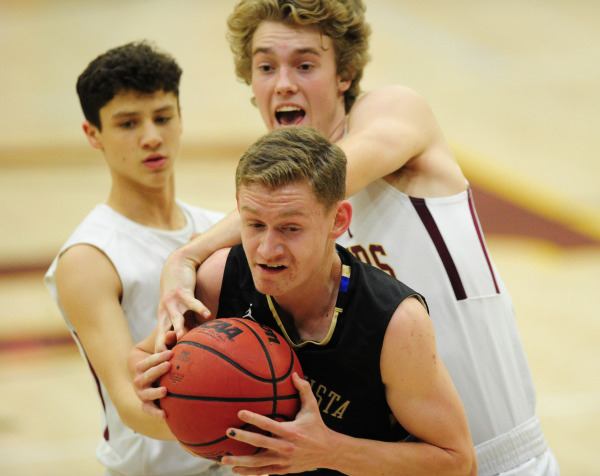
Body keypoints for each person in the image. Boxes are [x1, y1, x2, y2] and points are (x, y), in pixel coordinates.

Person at [155, 2, 560, 475]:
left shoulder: (394, 112)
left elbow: (327, 175)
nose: (283, 83)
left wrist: (190, 251)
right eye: (266, 66)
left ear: (344, 73)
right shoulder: (276, 212)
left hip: (496, 455)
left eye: (304, 65)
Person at [132, 126, 477, 475]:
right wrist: (153, 386)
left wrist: (332, 452)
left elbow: (458, 462)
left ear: (338, 220)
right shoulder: (219, 279)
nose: (267, 250)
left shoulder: (395, 322)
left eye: (291, 228)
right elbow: (142, 355)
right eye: (254, 225)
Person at [44, 41, 232, 476]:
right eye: (128, 123)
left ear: (181, 119)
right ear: (93, 134)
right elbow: (131, 405)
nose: (151, 136)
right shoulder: (89, 257)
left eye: (163, 117)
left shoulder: (214, 229)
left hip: (239, 462)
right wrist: (239, 418)